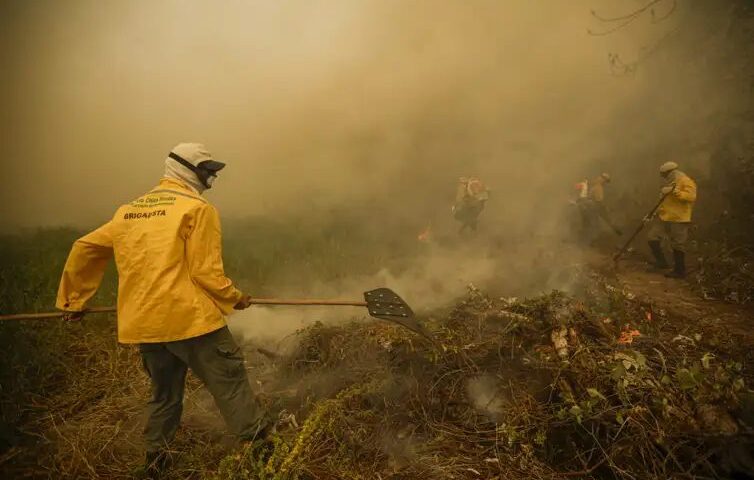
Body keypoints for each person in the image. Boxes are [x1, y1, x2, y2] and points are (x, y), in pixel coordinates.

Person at [56, 143, 268, 477]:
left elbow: (85, 248)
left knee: (164, 395)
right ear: (184, 168)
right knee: (230, 383)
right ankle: (264, 453)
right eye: (207, 169)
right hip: (192, 322)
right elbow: (206, 273)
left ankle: (156, 462)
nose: (212, 176)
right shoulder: (198, 209)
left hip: (146, 326)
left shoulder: (128, 211)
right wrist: (236, 298)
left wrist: (73, 300)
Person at [645, 161, 697, 278]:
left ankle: (679, 271)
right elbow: (664, 202)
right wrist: (653, 214)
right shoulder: (670, 183)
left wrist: (675, 192)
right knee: (652, 237)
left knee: (678, 244)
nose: (664, 177)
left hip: (679, 218)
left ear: (670, 172)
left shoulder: (686, 181)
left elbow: (691, 197)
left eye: (664, 175)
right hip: (665, 217)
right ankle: (662, 262)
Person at [575, 172, 621, 244]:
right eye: (605, 180)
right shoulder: (597, 187)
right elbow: (597, 202)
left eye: (605, 181)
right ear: (602, 179)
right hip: (590, 208)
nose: (605, 182)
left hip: (588, 207)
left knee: (589, 224)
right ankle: (586, 242)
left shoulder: (595, 185)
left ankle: (585, 241)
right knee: (592, 225)